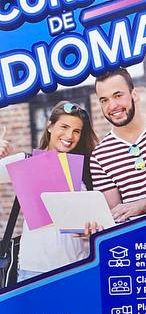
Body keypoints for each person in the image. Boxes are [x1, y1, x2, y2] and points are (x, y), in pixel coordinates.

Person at [0, 101, 99, 282]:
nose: (69, 136)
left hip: (76, 267)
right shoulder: (26, 162)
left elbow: (95, 219)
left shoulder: (84, 170)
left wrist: (90, 231)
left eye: (76, 131)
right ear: (50, 126)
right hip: (33, 270)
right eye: (64, 127)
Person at [90, 68, 146, 222]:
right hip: (138, 236)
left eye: (118, 96)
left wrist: (142, 205)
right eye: (104, 100)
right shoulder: (99, 157)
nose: (112, 106)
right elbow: (117, 217)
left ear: (134, 95)